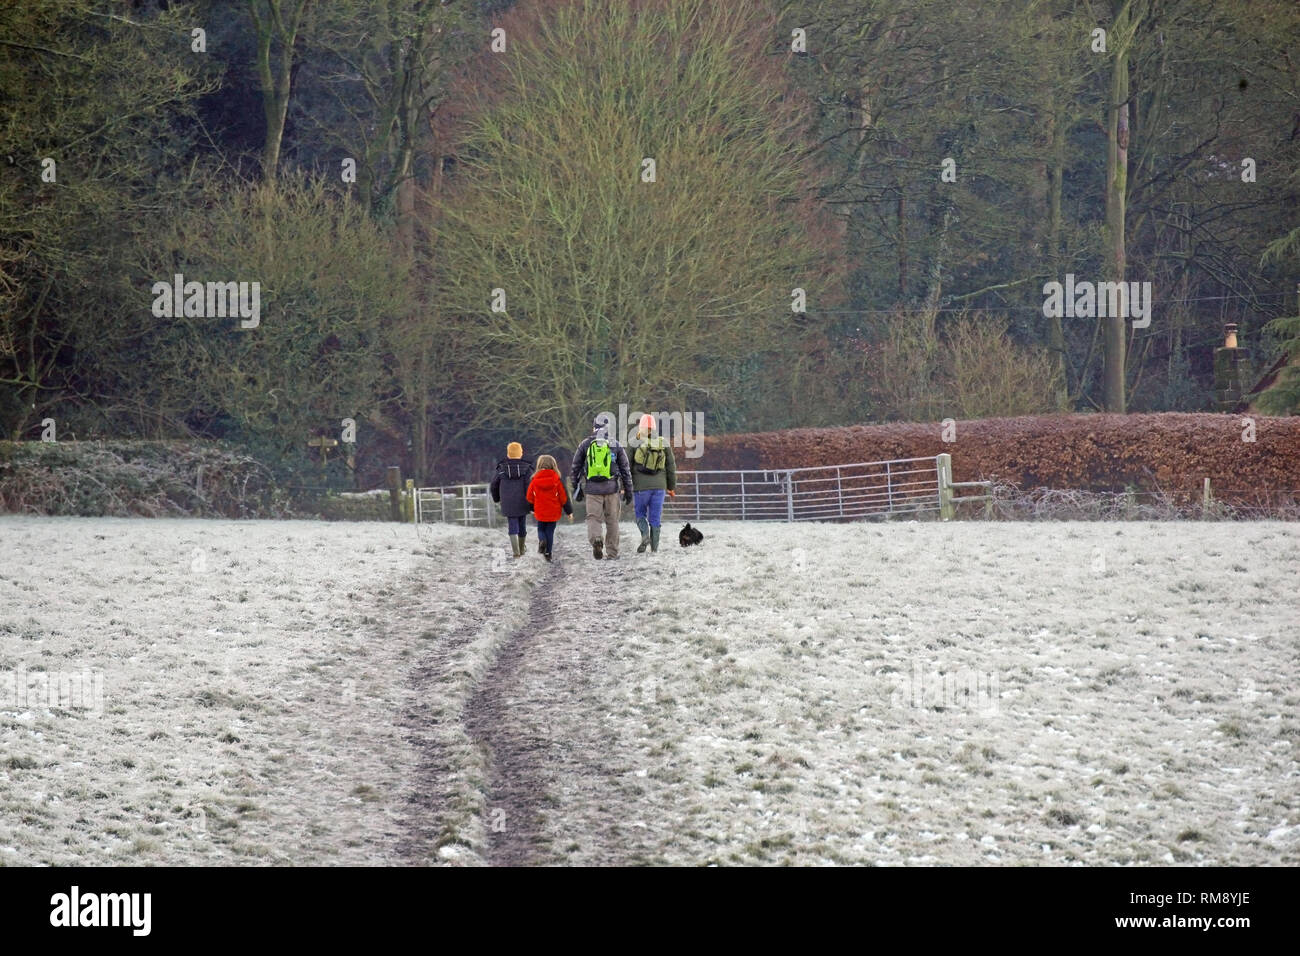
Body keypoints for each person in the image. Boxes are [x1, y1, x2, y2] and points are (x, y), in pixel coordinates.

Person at [571, 414, 633, 560]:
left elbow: (575, 468)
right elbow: (625, 470)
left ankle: (596, 539)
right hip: (612, 489)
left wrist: (576, 487)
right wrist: (628, 491)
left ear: (594, 427)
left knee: (593, 518)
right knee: (612, 521)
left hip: (592, 489)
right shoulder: (615, 444)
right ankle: (612, 553)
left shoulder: (585, 444)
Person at [630, 413, 676, 553]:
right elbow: (671, 466)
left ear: (641, 427)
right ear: (654, 428)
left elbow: (626, 466)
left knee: (640, 514)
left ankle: (645, 536)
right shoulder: (663, 442)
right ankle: (654, 550)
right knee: (655, 519)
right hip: (659, 488)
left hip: (640, 488)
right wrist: (671, 487)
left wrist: (624, 486)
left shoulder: (634, 442)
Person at [489, 441, 534, 558]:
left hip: (508, 502)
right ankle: (522, 549)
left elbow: (494, 485)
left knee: (512, 524)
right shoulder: (527, 469)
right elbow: (530, 487)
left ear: (508, 454)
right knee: (522, 525)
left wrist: (496, 498)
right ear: (520, 454)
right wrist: (532, 504)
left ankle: (516, 552)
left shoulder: (501, 468)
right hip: (523, 501)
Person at [525, 454, 573, 561]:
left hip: (540, 511)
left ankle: (542, 541)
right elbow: (564, 497)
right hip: (553, 511)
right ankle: (548, 553)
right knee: (550, 532)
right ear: (553, 465)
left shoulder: (534, 480)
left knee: (541, 529)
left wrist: (531, 508)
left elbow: (529, 496)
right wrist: (569, 511)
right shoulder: (557, 480)